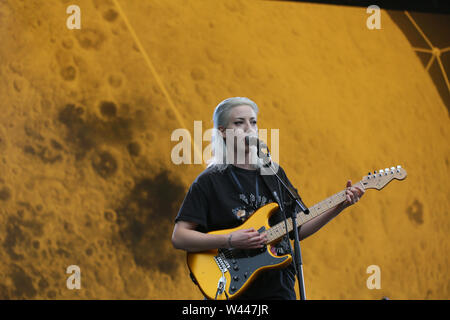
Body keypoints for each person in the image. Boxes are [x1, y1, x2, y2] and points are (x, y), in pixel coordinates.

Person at [171, 97, 364, 300]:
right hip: (233, 287)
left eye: (253, 122)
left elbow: (298, 229)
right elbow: (179, 237)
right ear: (222, 131)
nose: (249, 128)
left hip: (278, 287)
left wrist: (340, 205)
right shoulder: (209, 181)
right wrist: (230, 239)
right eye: (239, 123)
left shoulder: (273, 173)